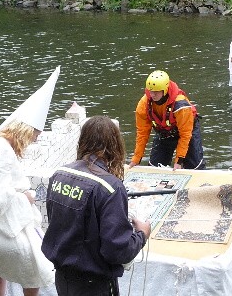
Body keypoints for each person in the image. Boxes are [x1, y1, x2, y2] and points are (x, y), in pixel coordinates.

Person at [0, 67, 60, 296]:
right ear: (25, 131)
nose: (34, 141)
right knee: (35, 262)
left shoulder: (1, 146)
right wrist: (26, 197)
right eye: (34, 136)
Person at [42, 116, 151, 296]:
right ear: (115, 145)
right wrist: (141, 235)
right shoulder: (110, 187)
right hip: (94, 283)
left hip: (63, 278)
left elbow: (57, 222)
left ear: (82, 141)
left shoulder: (59, 175)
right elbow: (117, 251)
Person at [129, 70, 205, 170]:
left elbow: (185, 134)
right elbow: (142, 133)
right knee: (154, 167)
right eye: (151, 91)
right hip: (165, 133)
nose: (152, 95)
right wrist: (136, 158)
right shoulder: (144, 104)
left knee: (195, 167)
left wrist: (179, 160)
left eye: (156, 92)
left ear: (164, 90)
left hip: (187, 132)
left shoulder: (180, 105)